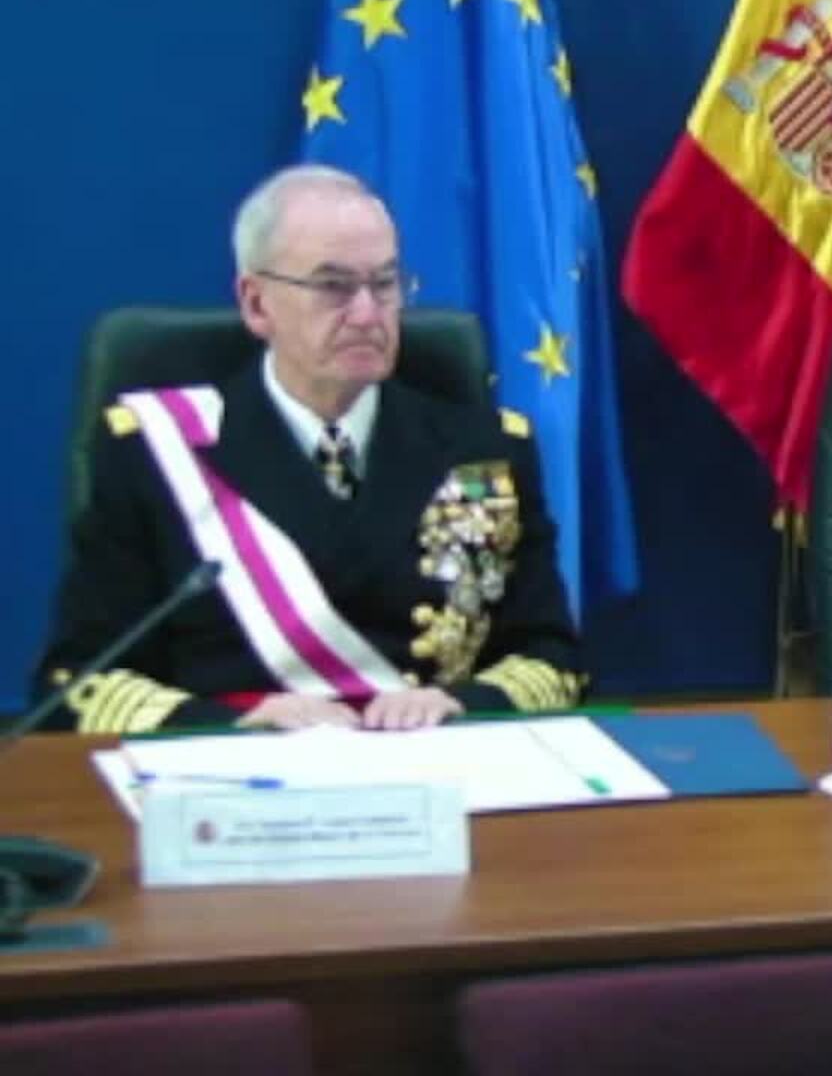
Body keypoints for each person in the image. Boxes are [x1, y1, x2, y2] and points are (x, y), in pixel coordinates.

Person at [31, 164, 582, 733]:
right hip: (236, 768)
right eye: (333, 287)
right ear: (256, 303)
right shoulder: (157, 451)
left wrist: (462, 704)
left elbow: (553, 658)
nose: (367, 313)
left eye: (385, 283)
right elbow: (79, 680)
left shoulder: (485, 448)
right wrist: (229, 723)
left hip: (430, 758)